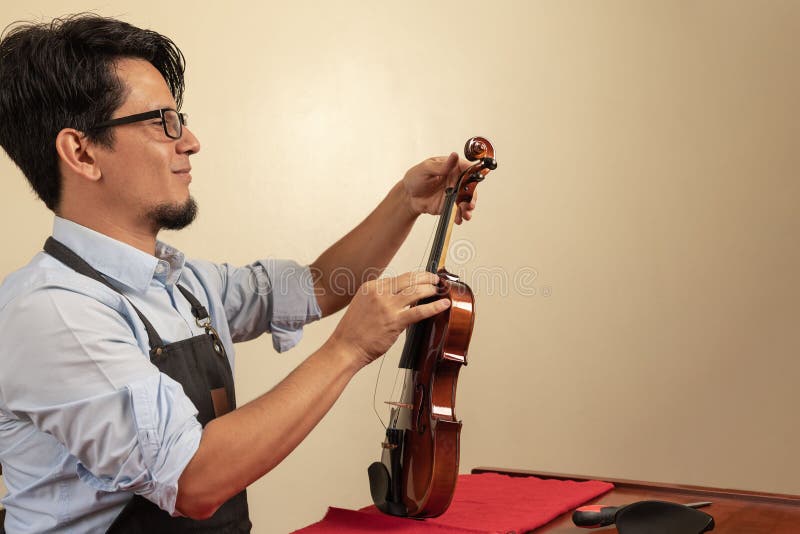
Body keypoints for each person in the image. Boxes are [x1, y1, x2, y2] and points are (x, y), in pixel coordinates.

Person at [0, 14, 476, 533]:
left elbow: (318, 286)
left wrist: (406, 201)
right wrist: (348, 349)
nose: (190, 141)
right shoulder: (52, 312)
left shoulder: (182, 283)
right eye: (162, 122)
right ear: (82, 152)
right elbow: (193, 481)